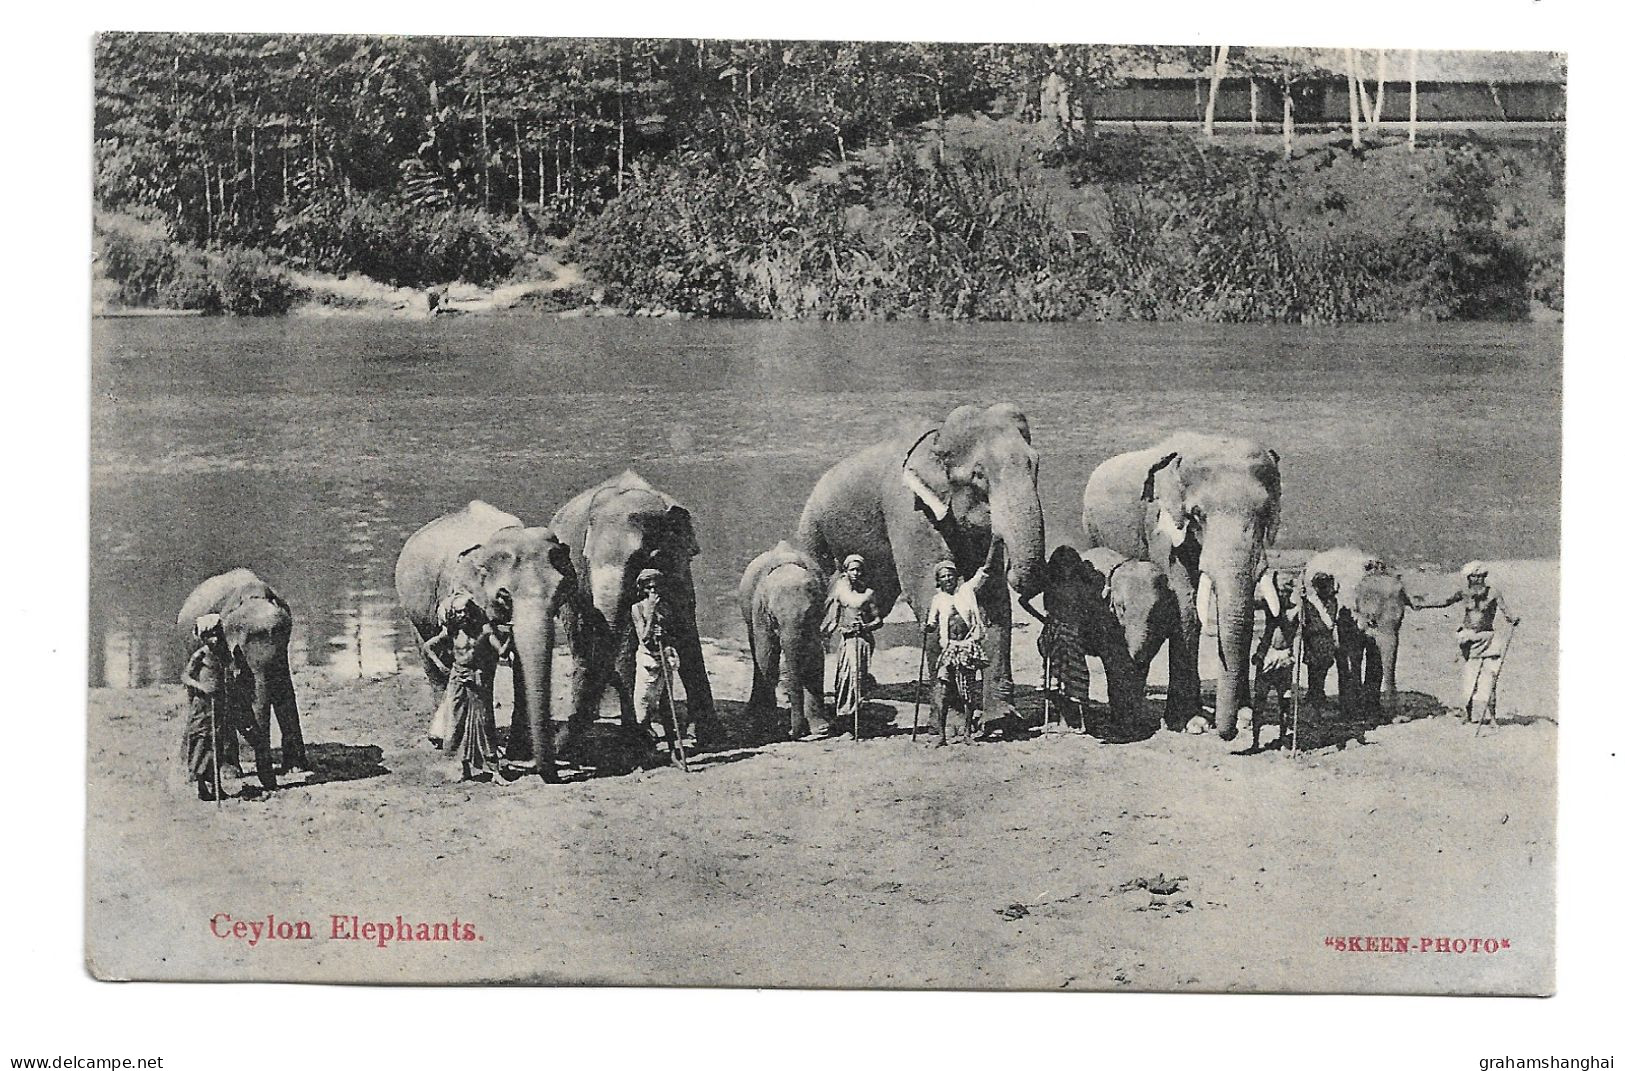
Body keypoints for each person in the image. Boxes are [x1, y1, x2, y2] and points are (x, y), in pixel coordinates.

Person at [1412, 561, 1520, 724]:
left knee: (1490, 676)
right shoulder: (1464, 592)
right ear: (1469, 578)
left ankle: (1491, 717)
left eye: (1480, 577)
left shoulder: (1494, 593)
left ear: (1485, 577)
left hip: (1487, 637)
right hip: (1468, 639)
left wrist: (1513, 619)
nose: (1477, 580)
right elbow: (1446, 601)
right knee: (1470, 676)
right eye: (1473, 577)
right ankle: (1468, 715)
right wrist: (1424, 604)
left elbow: (1507, 612)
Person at [422, 594, 510, 781]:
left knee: (484, 723)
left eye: (465, 611)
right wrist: (440, 665)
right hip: (457, 680)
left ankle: (495, 771)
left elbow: (501, 652)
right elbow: (428, 647)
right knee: (457, 723)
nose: (462, 615)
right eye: (458, 612)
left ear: (470, 612)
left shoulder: (483, 632)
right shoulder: (451, 633)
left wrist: (510, 638)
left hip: (478, 680)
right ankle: (464, 767)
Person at [924, 559, 991, 745]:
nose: (947, 579)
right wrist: (927, 627)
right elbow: (932, 623)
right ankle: (941, 735)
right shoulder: (938, 599)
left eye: (950, 575)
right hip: (949, 649)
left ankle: (968, 733)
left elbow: (982, 573)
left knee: (967, 693)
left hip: (967, 648)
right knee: (944, 692)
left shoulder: (966, 592)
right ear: (939, 580)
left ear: (956, 577)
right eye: (943, 576)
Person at [821, 554, 882, 738]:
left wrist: (865, 626)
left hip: (862, 641)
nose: (856, 573)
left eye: (859, 569)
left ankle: (852, 721)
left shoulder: (868, 594)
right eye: (852, 569)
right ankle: (842, 719)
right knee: (843, 678)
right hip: (846, 640)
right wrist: (827, 633)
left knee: (856, 678)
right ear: (846, 572)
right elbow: (833, 616)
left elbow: (878, 620)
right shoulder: (841, 593)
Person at [180, 614, 235, 801]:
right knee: (201, 742)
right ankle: (202, 786)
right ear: (204, 637)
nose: (215, 639)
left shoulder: (222, 653)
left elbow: (229, 668)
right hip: (202, 705)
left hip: (219, 703)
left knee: (217, 743)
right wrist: (201, 687)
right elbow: (186, 677)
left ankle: (216, 784)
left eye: (218, 634)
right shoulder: (200, 654)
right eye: (211, 635)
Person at [630, 568, 683, 749]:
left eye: (657, 587)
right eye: (650, 588)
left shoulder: (667, 608)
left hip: (664, 661)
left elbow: (674, 635)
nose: (654, 591)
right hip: (647, 662)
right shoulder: (637, 609)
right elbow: (644, 638)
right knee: (643, 708)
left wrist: (668, 643)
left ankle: (672, 748)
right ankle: (642, 750)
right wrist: (651, 613)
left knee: (667, 704)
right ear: (644, 589)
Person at [1251, 570, 1301, 740]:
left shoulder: (1294, 611)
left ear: (1289, 593)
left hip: (1284, 657)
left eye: (1284, 592)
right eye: (1278, 592)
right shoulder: (1268, 606)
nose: (1281, 595)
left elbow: (1291, 619)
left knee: (1284, 701)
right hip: (1267, 655)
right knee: (1259, 701)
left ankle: (1282, 737)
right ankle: (1255, 740)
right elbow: (1252, 602)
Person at [1300, 570, 1340, 705]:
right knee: (1313, 670)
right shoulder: (1310, 603)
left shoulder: (1332, 602)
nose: (1323, 588)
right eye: (1320, 585)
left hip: (1325, 642)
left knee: (1322, 670)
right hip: (1312, 641)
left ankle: (1317, 693)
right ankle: (1314, 694)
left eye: (1325, 585)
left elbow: (1331, 621)